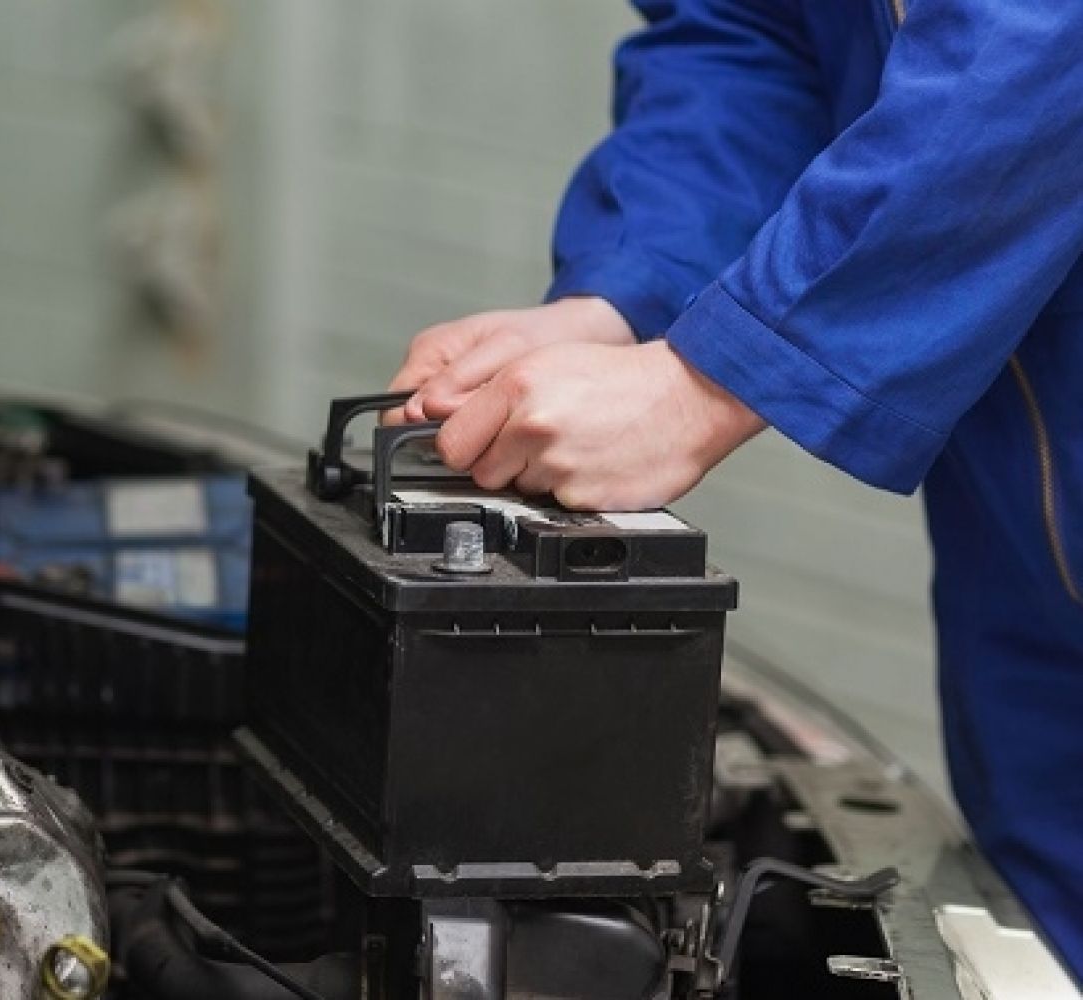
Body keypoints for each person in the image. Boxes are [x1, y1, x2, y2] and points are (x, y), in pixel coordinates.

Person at [385, 0, 1083, 977]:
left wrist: (700, 383)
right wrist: (625, 297)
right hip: (1031, 561)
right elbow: (749, 28)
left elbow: (1044, 41)